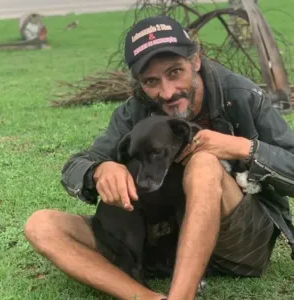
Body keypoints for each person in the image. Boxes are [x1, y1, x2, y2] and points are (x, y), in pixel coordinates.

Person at [24, 15, 294, 300]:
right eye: (151, 81)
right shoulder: (135, 112)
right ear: (140, 83)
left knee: (203, 163)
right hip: (159, 244)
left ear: (196, 61)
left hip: (238, 244)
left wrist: (242, 148)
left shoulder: (241, 95)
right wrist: (100, 169)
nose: (166, 92)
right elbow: (77, 164)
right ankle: (146, 296)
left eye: (175, 72)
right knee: (42, 225)